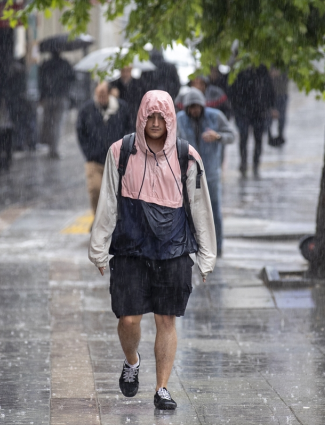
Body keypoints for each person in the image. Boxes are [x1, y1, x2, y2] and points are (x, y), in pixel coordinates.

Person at [89, 90, 216, 410]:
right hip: (130, 249)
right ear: (141, 117)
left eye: (163, 117)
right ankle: (132, 361)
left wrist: (206, 255)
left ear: (172, 119)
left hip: (172, 250)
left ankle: (162, 388)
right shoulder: (121, 152)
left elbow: (200, 207)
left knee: (166, 319)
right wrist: (98, 248)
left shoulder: (187, 156)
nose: (156, 123)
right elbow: (108, 201)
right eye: (150, 117)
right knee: (128, 320)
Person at [176, 88, 235, 257]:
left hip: (211, 173)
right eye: (191, 107)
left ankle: (217, 246)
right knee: (189, 211)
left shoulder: (215, 116)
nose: (195, 110)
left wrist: (217, 136)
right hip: (188, 174)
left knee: (213, 211)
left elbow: (231, 135)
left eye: (197, 107)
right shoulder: (180, 120)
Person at [76, 81, 133, 214]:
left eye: (103, 94)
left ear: (109, 93)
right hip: (94, 159)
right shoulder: (87, 109)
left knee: (116, 192)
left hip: (117, 159)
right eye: (98, 94)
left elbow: (129, 128)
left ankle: (115, 220)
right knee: (95, 189)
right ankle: (98, 218)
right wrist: (88, 152)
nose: (101, 97)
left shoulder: (121, 108)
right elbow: (80, 131)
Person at [229, 66, 275, 176]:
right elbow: (232, 91)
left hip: (258, 111)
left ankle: (255, 162)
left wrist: (270, 106)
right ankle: (245, 161)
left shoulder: (262, 71)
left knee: (257, 138)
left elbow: (269, 90)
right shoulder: (239, 72)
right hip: (244, 111)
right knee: (244, 137)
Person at [37, 50, 75, 158]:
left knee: (49, 123)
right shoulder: (65, 64)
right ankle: (54, 149)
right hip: (61, 97)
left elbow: (41, 81)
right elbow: (73, 78)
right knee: (57, 124)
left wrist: (42, 95)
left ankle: (51, 147)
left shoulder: (46, 65)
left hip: (48, 97)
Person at [269, 67, 289, 141]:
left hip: (282, 93)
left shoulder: (286, 62)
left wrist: (279, 72)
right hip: (270, 93)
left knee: (282, 116)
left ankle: (280, 134)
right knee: (269, 115)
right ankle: (269, 135)